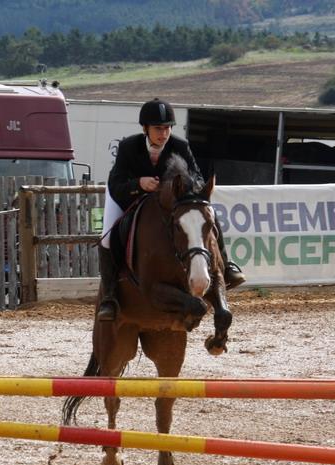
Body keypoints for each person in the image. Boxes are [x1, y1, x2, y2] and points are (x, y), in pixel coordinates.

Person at [96, 98, 245, 321]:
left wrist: (185, 189)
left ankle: (227, 266)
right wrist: (139, 183)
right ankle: (109, 296)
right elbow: (116, 184)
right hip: (128, 196)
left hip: (170, 201)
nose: (163, 133)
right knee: (107, 238)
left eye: (167, 128)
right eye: (158, 128)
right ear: (145, 128)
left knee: (208, 214)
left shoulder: (180, 146)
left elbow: (197, 178)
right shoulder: (128, 147)